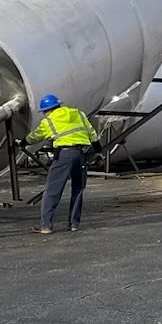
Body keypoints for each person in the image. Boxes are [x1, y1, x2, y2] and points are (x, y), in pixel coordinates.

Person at [30, 92, 96, 234]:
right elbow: (91, 131)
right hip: (80, 154)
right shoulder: (78, 113)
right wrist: (97, 145)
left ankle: (46, 225)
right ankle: (74, 224)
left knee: (52, 190)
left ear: (48, 110)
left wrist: (24, 142)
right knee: (78, 189)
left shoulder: (49, 121)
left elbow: (36, 136)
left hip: (64, 155)